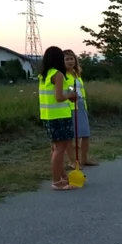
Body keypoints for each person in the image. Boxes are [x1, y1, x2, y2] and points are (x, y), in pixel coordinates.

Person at [39, 46, 79, 190]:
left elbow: (62, 91)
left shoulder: (44, 75)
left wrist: (70, 94)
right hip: (59, 116)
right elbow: (60, 97)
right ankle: (57, 182)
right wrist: (70, 95)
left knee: (56, 149)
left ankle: (63, 178)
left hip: (48, 115)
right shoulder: (58, 74)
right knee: (60, 149)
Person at [63, 50, 97, 170]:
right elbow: (65, 91)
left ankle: (84, 159)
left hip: (81, 105)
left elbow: (80, 91)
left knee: (85, 134)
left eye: (71, 59)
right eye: (66, 59)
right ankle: (72, 161)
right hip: (70, 107)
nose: (70, 61)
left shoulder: (76, 74)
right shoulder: (63, 75)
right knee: (72, 137)